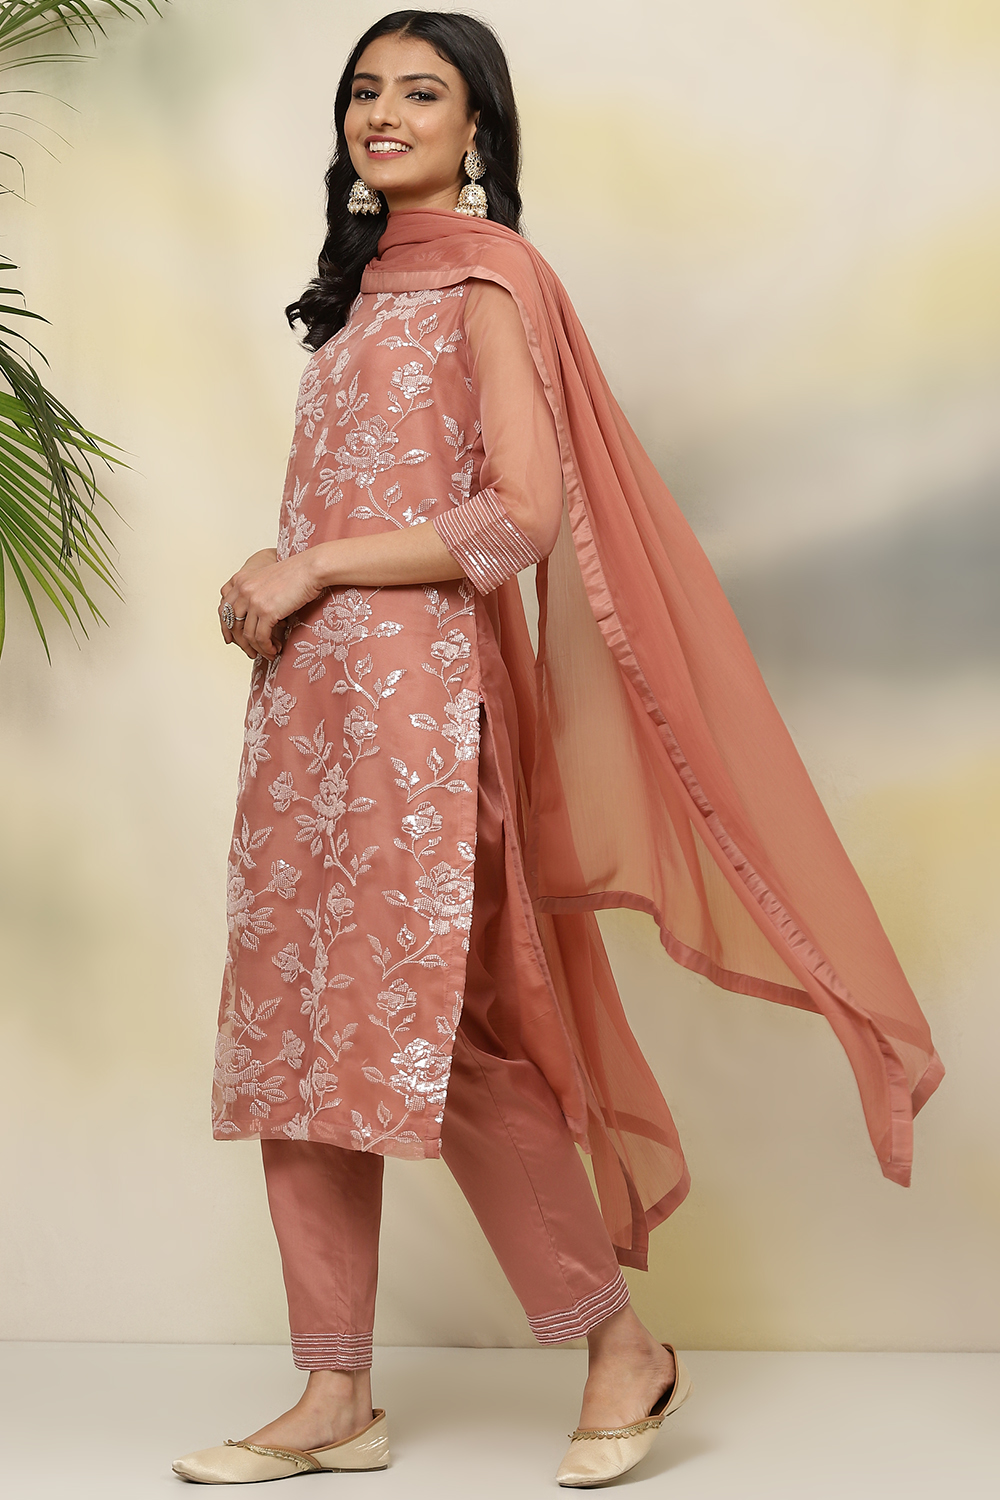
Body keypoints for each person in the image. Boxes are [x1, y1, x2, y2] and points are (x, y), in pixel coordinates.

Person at [172, 10, 942, 1488]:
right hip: (307, 713)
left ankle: (618, 1347)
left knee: (443, 1034)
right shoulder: (355, 294)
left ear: (480, 128)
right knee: (297, 1032)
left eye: (423, 92)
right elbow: (351, 501)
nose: (384, 113)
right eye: (364, 90)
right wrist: (273, 582)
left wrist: (315, 564)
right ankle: (332, 1398)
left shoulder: (490, 278)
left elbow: (517, 520)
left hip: (419, 715)